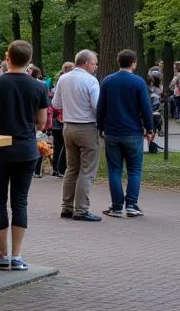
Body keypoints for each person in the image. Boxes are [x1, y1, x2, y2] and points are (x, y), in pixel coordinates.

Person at [0, 40, 48, 271]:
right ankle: (17, 256)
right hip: (27, 149)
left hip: (0, 149)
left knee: (0, 200)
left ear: (7, 57)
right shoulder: (39, 87)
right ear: (30, 60)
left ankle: (1, 255)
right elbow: (41, 122)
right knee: (20, 201)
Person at [96, 49, 155, 217]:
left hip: (112, 132)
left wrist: (101, 126)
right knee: (134, 170)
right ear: (134, 63)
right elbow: (145, 108)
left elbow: (101, 107)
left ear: (118, 62)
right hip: (133, 132)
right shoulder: (138, 82)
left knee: (114, 170)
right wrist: (149, 129)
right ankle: (131, 204)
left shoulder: (107, 81)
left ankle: (116, 206)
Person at [52, 49, 102, 221]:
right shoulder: (91, 81)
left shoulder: (64, 78)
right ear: (87, 63)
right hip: (87, 127)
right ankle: (81, 209)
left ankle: (66, 207)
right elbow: (97, 106)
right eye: (94, 63)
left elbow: (56, 103)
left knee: (71, 169)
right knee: (87, 171)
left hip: (68, 127)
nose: (95, 67)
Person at [49, 62, 73, 177]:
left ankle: (55, 169)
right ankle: (61, 169)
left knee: (58, 146)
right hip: (63, 120)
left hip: (55, 121)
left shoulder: (57, 85)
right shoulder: (69, 84)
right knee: (64, 146)